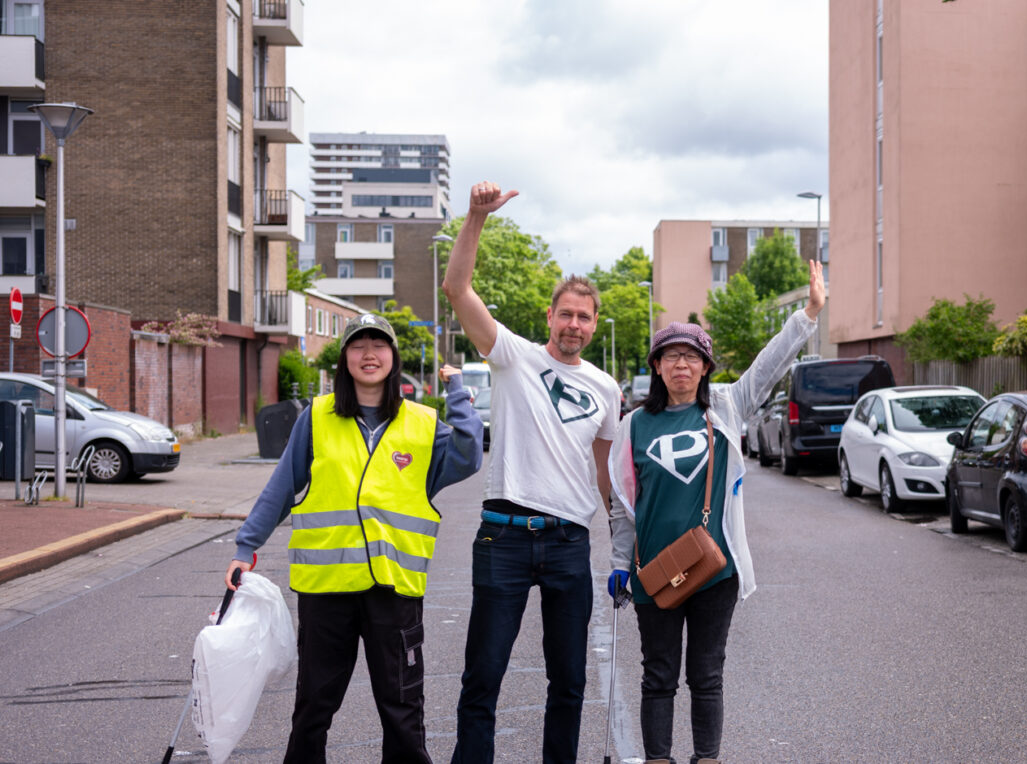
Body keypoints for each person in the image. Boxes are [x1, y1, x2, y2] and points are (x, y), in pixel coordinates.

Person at [223, 312, 482, 764]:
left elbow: (468, 452)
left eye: (378, 345)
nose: (369, 354)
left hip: (394, 589)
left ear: (393, 357)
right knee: (313, 708)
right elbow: (282, 487)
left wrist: (456, 390)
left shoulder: (422, 425)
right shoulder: (317, 417)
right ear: (344, 358)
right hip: (326, 591)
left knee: (402, 710)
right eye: (358, 345)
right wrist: (247, 547)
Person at [607, 261, 825, 764]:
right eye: (670, 357)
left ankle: (706, 758)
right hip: (653, 573)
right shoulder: (634, 425)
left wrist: (808, 314)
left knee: (706, 674)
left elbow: (768, 366)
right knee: (657, 675)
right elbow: (623, 506)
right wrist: (620, 565)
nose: (680, 365)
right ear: (657, 367)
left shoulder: (725, 408)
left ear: (705, 367)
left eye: (691, 357)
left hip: (714, 569)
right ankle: (658, 758)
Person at [442, 182, 622, 764]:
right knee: (483, 680)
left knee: (569, 684)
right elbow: (457, 288)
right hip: (505, 538)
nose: (574, 324)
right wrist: (475, 218)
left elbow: (605, 473)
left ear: (595, 324)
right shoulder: (513, 356)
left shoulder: (606, 388)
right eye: (565, 313)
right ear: (550, 315)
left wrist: (624, 545)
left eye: (584, 317)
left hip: (571, 543)